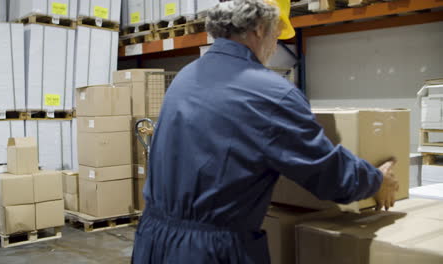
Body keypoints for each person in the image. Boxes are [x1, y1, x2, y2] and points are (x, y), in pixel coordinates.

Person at [131, 0, 399, 263]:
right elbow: (328, 174)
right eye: (277, 32)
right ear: (259, 28)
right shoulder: (271, 94)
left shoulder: (186, 76)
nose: (275, 44)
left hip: (152, 241)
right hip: (210, 252)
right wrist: (376, 179)